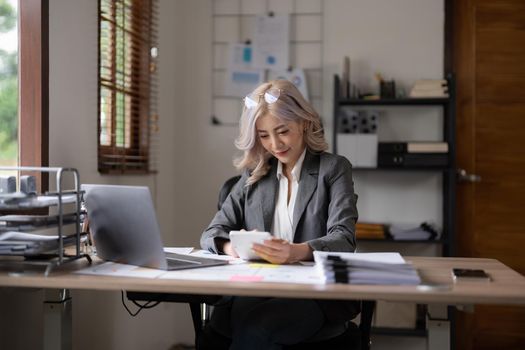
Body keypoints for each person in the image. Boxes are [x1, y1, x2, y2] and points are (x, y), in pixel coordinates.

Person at [200, 79, 359, 350]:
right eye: (264, 135)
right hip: (257, 286)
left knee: (256, 329)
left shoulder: (333, 169)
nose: (275, 144)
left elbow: (344, 238)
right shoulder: (254, 175)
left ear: (305, 123)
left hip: (312, 295)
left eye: (282, 131)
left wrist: (296, 252)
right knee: (240, 321)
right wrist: (232, 247)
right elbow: (211, 233)